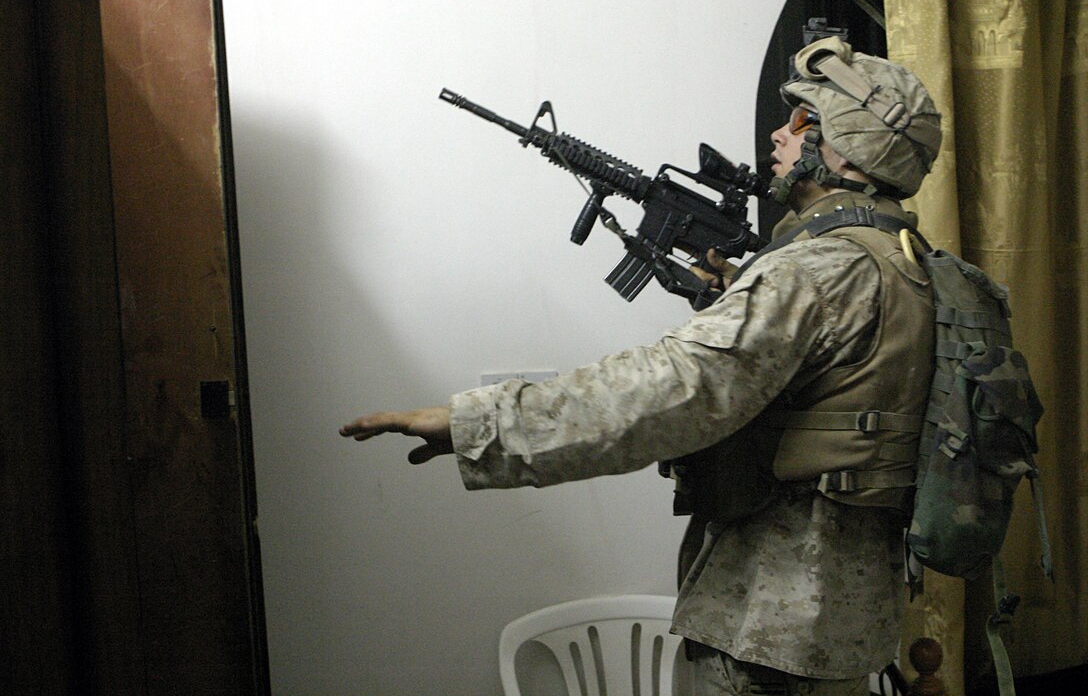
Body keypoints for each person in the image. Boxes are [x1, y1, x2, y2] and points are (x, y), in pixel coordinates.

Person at [341, 37, 943, 696]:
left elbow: (665, 392)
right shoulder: (908, 260)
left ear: (845, 149)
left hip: (771, 630)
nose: (780, 133)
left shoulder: (815, 270)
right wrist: (732, 294)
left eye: (802, 121)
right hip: (849, 622)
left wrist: (473, 423)